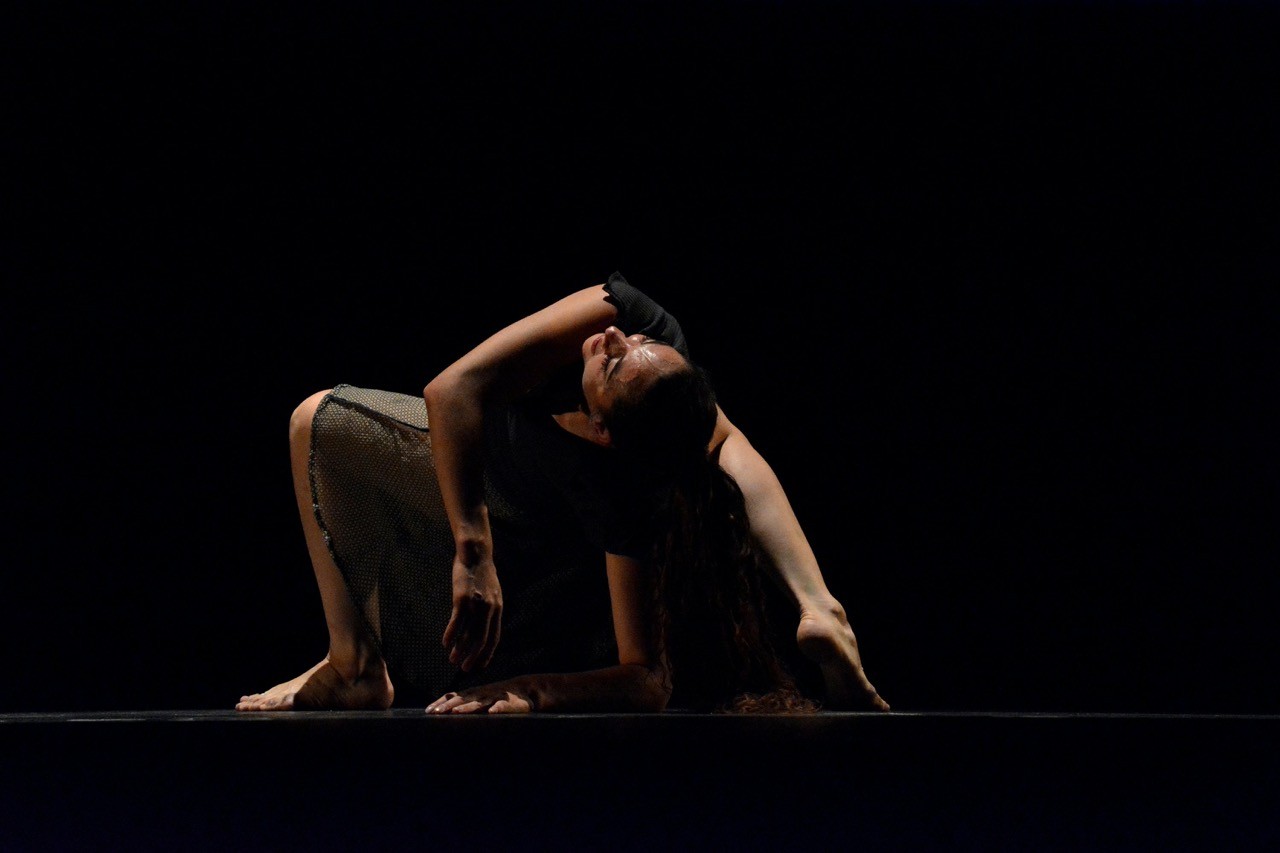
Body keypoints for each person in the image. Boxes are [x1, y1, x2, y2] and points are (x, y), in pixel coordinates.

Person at [236, 272, 889, 714]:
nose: (612, 336)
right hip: (482, 470)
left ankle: (818, 608)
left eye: (615, 359)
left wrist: (534, 687)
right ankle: (352, 659)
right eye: (637, 343)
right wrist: (472, 551)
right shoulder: (631, 316)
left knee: (709, 441)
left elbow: (645, 675)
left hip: (543, 533)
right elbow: (451, 391)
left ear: (603, 429)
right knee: (318, 423)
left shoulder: (624, 487)